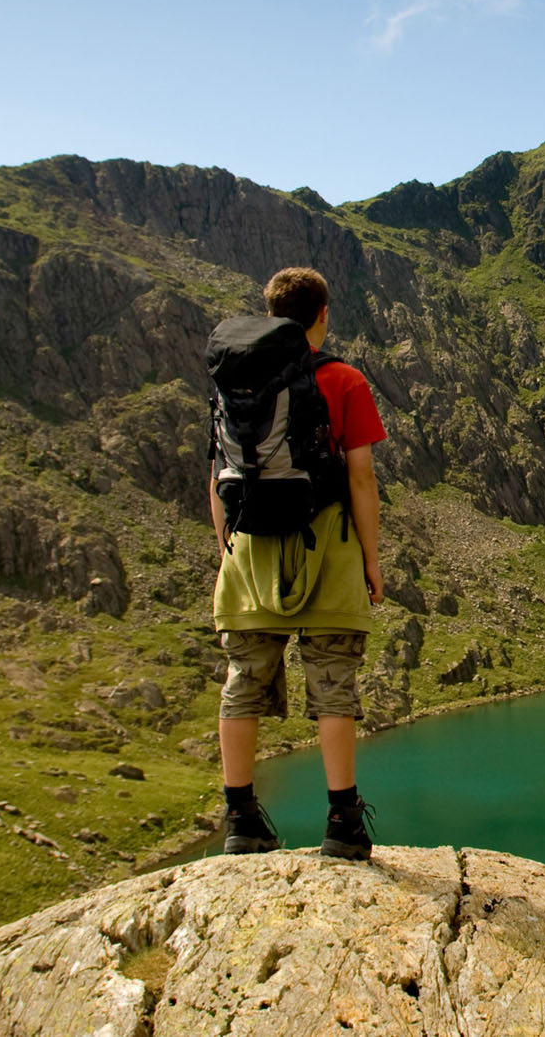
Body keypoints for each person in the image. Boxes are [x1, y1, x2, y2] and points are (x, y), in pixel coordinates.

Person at [208, 266, 385, 859]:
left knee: (243, 682)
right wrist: (371, 558)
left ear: (268, 311)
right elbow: (360, 477)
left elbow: (219, 477)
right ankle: (342, 823)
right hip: (327, 544)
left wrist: (227, 550)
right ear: (322, 314)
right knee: (333, 681)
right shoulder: (344, 380)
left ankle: (240, 820)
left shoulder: (235, 381)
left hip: (251, 548)